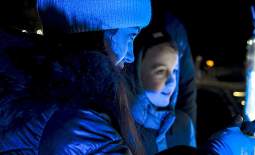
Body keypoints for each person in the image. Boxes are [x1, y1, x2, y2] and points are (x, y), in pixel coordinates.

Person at [0, 0, 151, 154]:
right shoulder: (78, 121)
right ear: (98, 29)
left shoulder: (41, 96)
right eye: (131, 36)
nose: (131, 56)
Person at [129, 26, 196, 155]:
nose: (172, 82)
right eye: (160, 71)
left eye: (175, 71)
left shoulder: (184, 125)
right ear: (137, 73)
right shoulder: (121, 128)